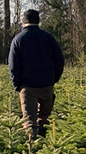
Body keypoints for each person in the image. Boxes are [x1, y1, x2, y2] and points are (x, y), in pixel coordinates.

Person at [8, 9, 64, 139]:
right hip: (47, 85)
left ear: (23, 22)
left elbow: (13, 65)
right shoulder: (48, 38)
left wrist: (17, 85)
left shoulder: (18, 39)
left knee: (29, 120)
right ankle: (43, 142)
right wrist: (54, 79)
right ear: (38, 21)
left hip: (27, 87)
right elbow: (59, 60)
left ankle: (32, 145)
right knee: (44, 117)